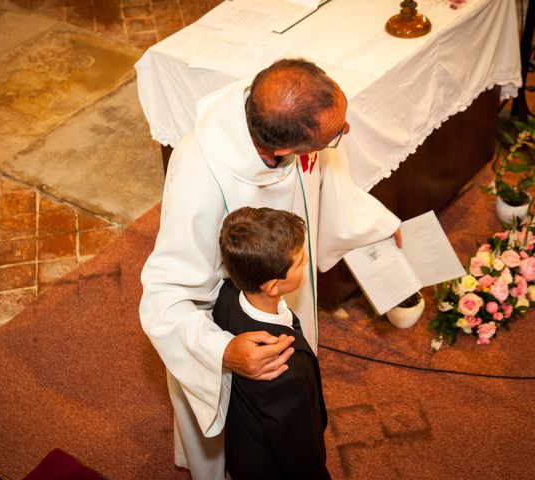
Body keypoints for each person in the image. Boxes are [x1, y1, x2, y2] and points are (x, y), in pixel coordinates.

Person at [139, 58, 401, 479]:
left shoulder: (285, 110)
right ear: (283, 150)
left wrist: (376, 227)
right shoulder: (201, 175)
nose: (346, 134)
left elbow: (327, 186)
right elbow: (165, 297)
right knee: (246, 449)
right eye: (334, 136)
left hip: (286, 295)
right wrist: (223, 352)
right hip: (233, 328)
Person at [214, 206, 330, 480]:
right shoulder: (285, 366)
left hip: (243, 446)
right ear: (275, 286)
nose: (305, 263)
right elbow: (298, 448)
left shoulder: (227, 297)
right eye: (300, 262)